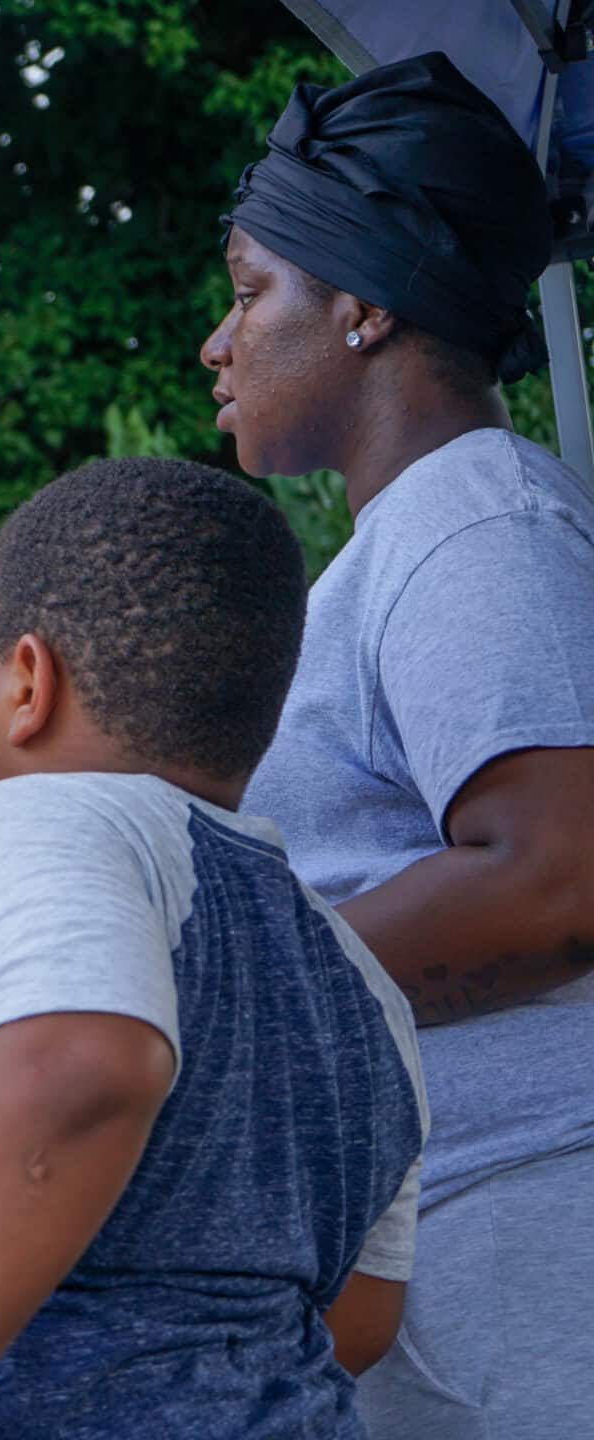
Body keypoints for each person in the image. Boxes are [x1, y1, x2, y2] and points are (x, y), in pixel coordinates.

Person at [0, 458, 427, 1440]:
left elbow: (78, 1060)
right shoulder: (358, 976)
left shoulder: (32, 819)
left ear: (28, 684)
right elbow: (361, 1313)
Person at [202, 52, 594, 1440]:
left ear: (362, 304)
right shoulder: (409, 542)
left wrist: (229, 1000)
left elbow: (558, 878)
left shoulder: (476, 521)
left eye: (252, 290)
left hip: (525, 1236)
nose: (218, 341)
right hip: (447, 1241)